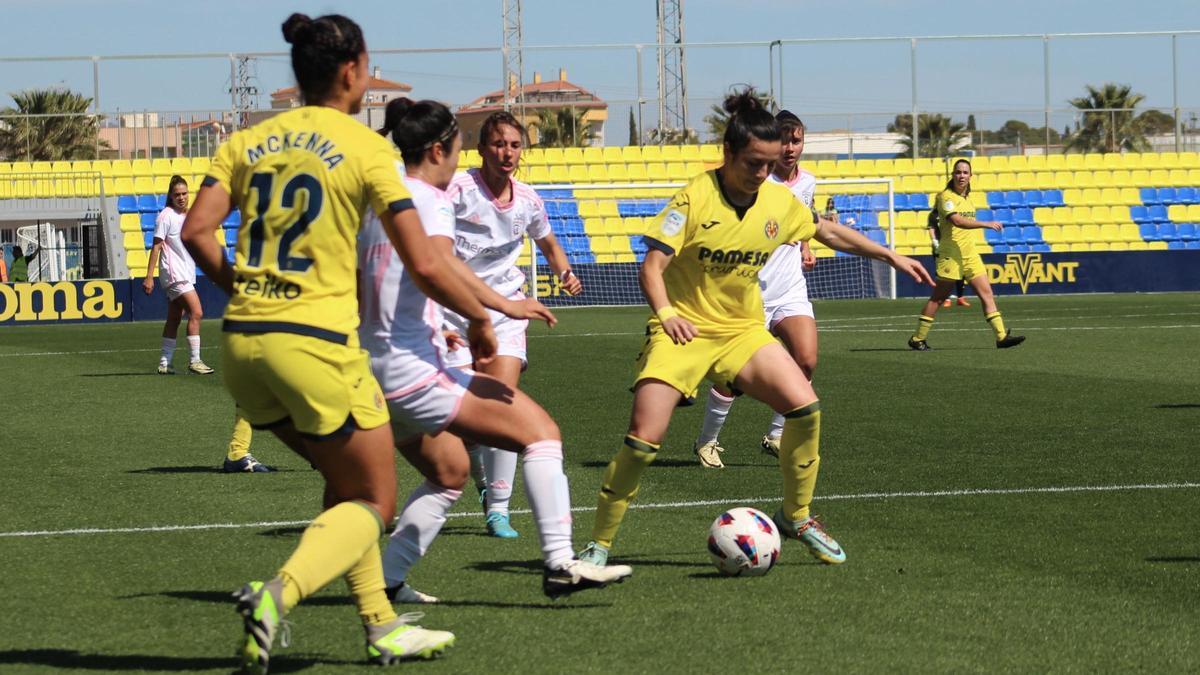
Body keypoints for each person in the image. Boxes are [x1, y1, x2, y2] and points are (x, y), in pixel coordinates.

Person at [182, 13, 478, 671]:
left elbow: (196, 231)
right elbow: (426, 264)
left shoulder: (249, 140)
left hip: (245, 348)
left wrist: (245, 286)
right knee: (376, 499)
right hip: (317, 344)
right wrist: (483, 321)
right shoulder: (367, 147)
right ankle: (274, 595)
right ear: (353, 72)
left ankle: (380, 626)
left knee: (349, 487)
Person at [576, 88, 933, 569]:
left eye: (769, 164)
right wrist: (666, 315)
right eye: (753, 163)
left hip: (742, 332)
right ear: (728, 154)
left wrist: (890, 254)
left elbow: (825, 231)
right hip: (681, 331)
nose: (763, 173)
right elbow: (652, 266)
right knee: (644, 439)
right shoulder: (694, 197)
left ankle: (797, 515)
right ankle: (599, 543)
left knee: (805, 407)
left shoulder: (776, 200)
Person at [359, 97, 631, 603]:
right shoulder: (433, 197)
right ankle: (558, 562)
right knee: (541, 433)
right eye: (466, 145)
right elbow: (438, 265)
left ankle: (386, 583)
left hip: (370, 366)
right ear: (444, 148)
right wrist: (491, 311)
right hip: (412, 367)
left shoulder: (378, 200)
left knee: (449, 472)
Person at [443, 111, 582, 538]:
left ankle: (498, 509)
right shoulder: (458, 191)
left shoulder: (527, 199)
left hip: (506, 312)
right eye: (499, 144)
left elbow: (549, 241)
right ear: (482, 149)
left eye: (515, 145)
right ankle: (484, 482)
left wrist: (564, 272)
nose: (507, 152)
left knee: (501, 403)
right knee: (462, 414)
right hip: (453, 311)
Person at [692, 110, 819, 468]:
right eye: (785, 141)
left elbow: (805, 223)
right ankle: (707, 440)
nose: (791, 148)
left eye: (797, 140)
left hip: (791, 287)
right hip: (752, 292)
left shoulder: (808, 182)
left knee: (806, 359)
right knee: (735, 379)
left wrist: (806, 248)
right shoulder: (757, 182)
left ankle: (777, 433)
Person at [909, 159, 1024, 351]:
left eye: (965, 172)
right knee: (938, 298)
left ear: (971, 176)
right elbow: (957, 221)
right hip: (950, 254)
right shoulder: (945, 197)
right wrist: (985, 224)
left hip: (970, 254)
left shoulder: (968, 199)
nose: (961, 176)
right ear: (952, 175)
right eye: (958, 172)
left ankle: (1001, 337)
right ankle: (917, 338)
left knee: (987, 294)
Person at [143, 176, 215, 375]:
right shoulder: (166, 216)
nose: (181, 197)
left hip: (185, 273)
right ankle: (195, 360)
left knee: (175, 317)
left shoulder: (187, 216)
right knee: (197, 312)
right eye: (177, 195)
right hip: (174, 274)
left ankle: (165, 362)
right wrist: (149, 276)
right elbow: (156, 246)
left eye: (184, 193)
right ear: (171, 196)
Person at [926, 209, 971, 308]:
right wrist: (934, 241)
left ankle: (960, 297)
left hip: (955, 245)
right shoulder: (934, 214)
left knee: (960, 271)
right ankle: (946, 298)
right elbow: (931, 228)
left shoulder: (953, 213)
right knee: (945, 273)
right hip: (941, 247)